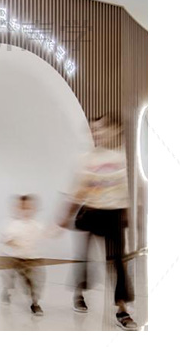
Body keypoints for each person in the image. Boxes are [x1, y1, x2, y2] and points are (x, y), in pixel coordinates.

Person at [61, 114, 137, 331]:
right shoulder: (86, 159)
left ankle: (122, 309)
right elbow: (78, 191)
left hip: (114, 216)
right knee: (86, 260)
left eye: (101, 128)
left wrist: (129, 214)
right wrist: (64, 216)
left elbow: (125, 189)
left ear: (114, 130)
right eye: (93, 130)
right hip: (92, 214)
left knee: (118, 263)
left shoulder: (122, 157)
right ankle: (79, 293)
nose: (96, 133)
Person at [0, 194, 49, 316]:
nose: (26, 211)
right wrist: (13, 242)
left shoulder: (37, 225)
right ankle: (7, 290)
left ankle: (35, 302)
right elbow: (6, 239)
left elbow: (45, 234)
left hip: (33, 258)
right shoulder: (13, 225)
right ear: (17, 209)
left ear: (34, 210)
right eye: (23, 208)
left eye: (29, 208)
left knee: (35, 281)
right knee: (9, 278)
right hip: (14, 258)